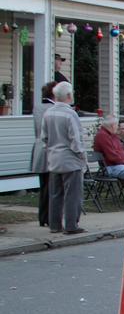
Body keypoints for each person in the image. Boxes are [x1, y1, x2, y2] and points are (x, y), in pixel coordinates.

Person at [42, 81, 88, 235]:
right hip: (70, 159)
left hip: (53, 158)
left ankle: (54, 225)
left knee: (55, 194)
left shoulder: (48, 113)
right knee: (72, 194)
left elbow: (44, 137)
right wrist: (81, 156)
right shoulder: (70, 114)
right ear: (68, 96)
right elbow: (75, 138)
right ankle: (71, 225)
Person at [31, 81, 57, 228]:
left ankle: (43, 216)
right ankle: (49, 216)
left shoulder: (38, 107)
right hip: (50, 148)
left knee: (44, 185)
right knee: (51, 185)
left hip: (39, 147)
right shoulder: (53, 109)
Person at [93, 115, 124, 187]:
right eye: (116, 125)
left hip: (119, 165)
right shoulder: (102, 136)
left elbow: (122, 152)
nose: (117, 127)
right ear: (112, 125)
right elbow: (112, 156)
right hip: (110, 167)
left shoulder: (112, 135)